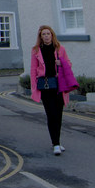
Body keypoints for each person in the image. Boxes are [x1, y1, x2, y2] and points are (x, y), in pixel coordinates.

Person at [29, 25, 78, 155]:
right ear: (40, 37)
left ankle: (57, 141)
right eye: (43, 34)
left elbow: (69, 64)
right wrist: (33, 87)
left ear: (52, 35)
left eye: (48, 34)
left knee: (58, 115)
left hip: (58, 85)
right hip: (45, 86)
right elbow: (33, 70)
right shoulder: (36, 50)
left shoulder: (60, 49)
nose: (46, 36)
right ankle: (55, 143)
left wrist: (61, 63)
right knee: (51, 115)